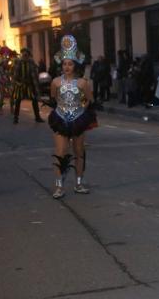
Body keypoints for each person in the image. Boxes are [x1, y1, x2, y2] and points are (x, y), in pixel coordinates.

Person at [46, 35, 97, 199]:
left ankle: (79, 184)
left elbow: (89, 100)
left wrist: (81, 110)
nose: (67, 67)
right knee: (60, 152)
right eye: (64, 64)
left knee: (79, 152)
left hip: (78, 120)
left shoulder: (83, 83)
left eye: (70, 64)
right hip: (61, 120)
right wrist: (64, 110)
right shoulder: (55, 82)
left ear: (75, 65)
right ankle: (59, 186)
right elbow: (53, 98)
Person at [12, 48, 44, 124]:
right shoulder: (19, 63)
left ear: (28, 55)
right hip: (21, 85)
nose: (24, 56)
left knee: (34, 100)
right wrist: (18, 82)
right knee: (18, 101)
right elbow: (15, 75)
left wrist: (36, 87)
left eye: (26, 55)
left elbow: (35, 76)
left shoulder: (31, 63)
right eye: (23, 55)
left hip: (30, 85)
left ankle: (37, 117)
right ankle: (15, 118)